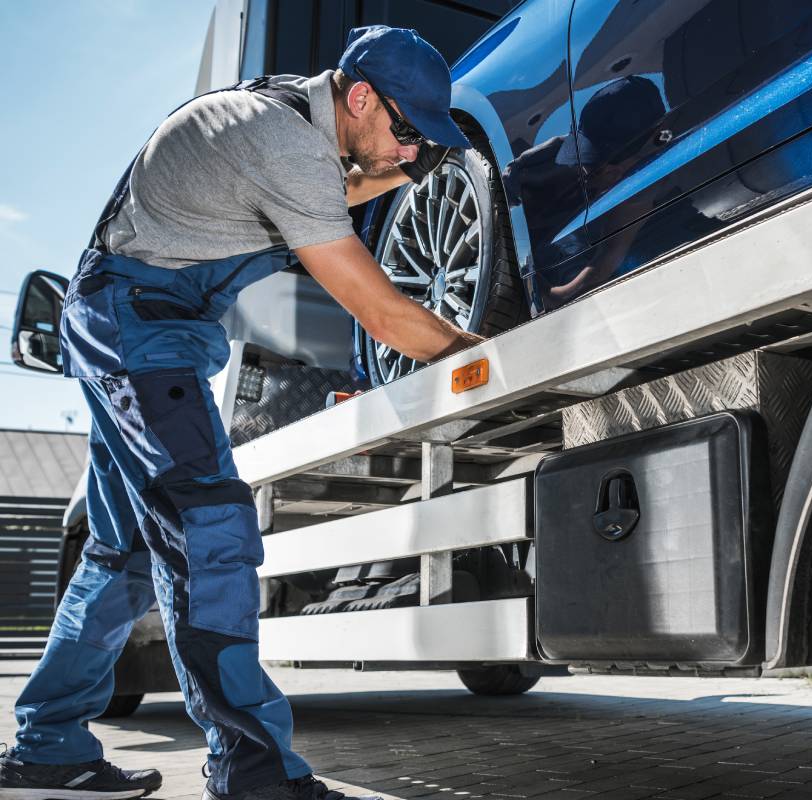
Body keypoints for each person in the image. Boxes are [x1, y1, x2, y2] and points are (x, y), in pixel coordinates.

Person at [0, 25, 478, 800]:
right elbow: (387, 318)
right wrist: (483, 347)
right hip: (138, 329)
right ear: (360, 98)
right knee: (211, 530)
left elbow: (335, 190)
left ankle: (48, 746)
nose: (412, 153)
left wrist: (403, 167)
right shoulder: (279, 141)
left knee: (120, 556)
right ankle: (253, 769)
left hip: (126, 320)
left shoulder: (289, 120)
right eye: (407, 132)